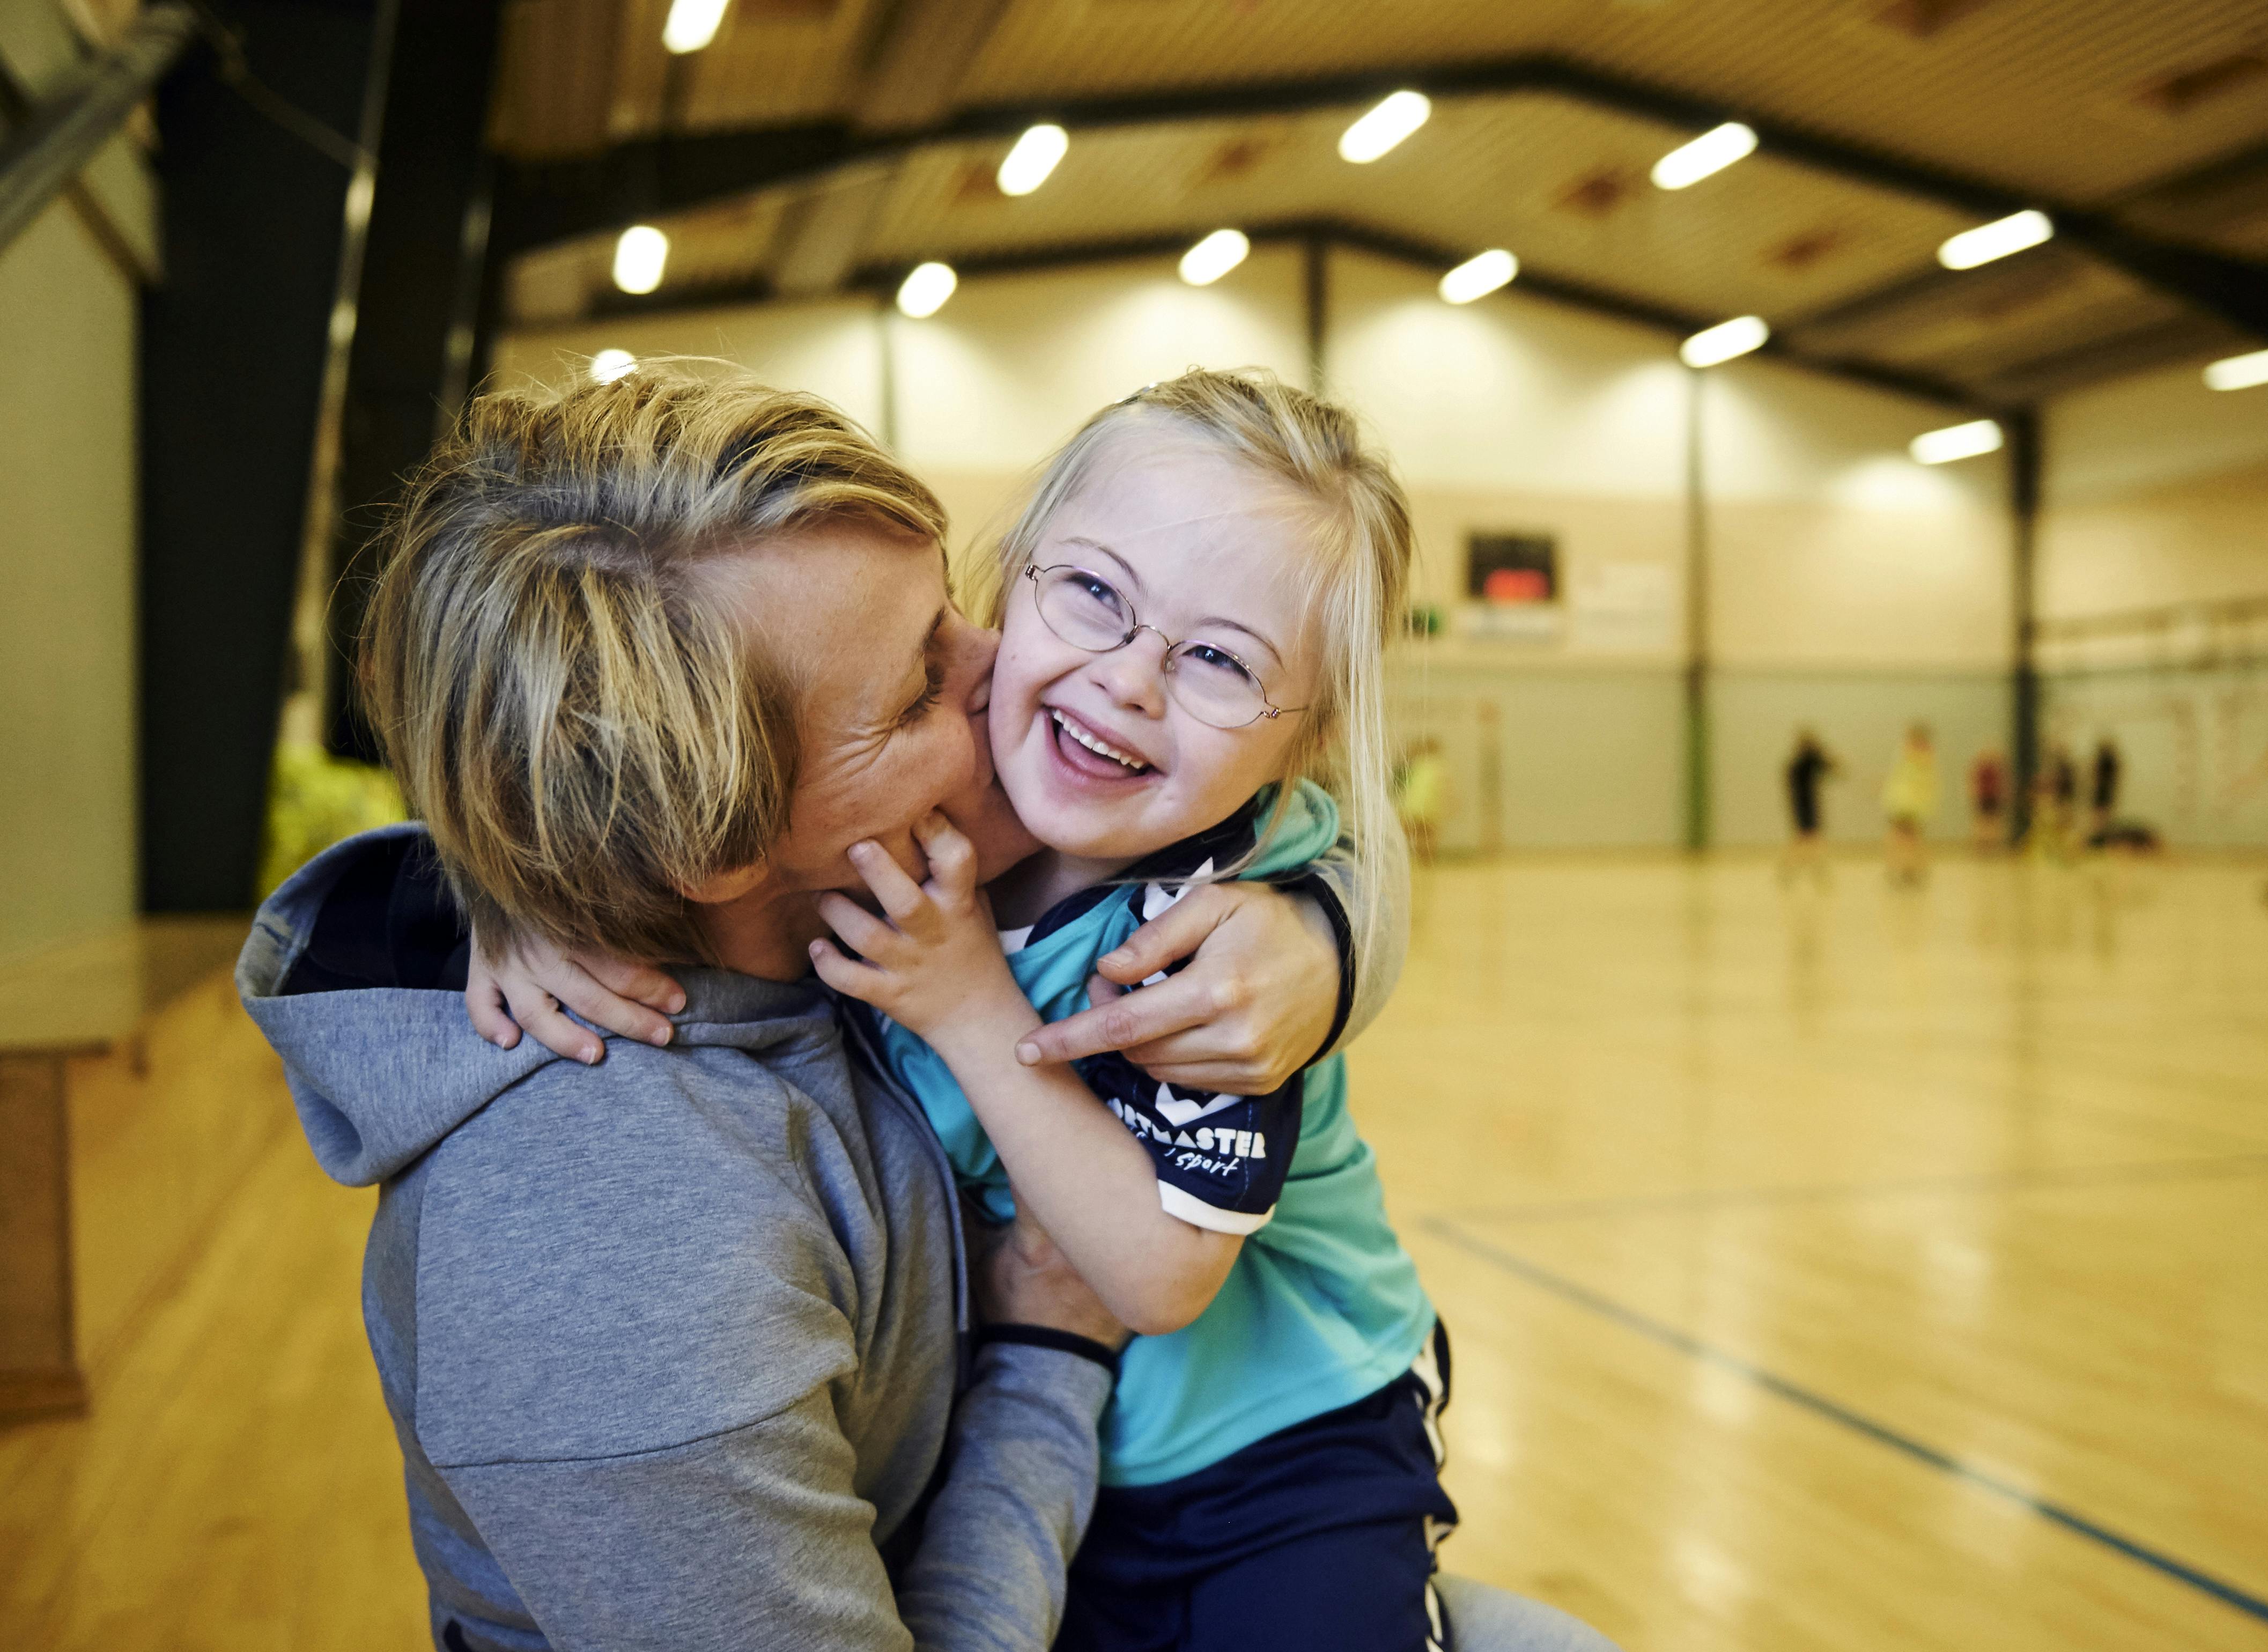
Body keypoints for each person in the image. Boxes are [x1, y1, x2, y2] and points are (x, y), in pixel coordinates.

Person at [242, 371, 1609, 1652]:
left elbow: (1297, 839)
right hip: (1070, 1474)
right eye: (915, 686)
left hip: (1248, 1463)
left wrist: (1328, 929)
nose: (1024, 671)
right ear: (715, 843)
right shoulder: (622, 1272)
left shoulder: (969, 890)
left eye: (959, 609)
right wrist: (1049, 1349)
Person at [1881, 722, 1937, 886]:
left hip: (1907, 803)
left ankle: (1905, 870)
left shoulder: (1915, 755)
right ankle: (1907, 870)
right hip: (1909, 803)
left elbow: (1908, 780)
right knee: (1908, 838)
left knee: (1903, 838)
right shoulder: (1920, 755)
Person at [1782, 729, 1837, 885]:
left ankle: (1813, 870)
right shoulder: (1809, 760)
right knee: (1808, 838)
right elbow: (1833, 768)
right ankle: (1814, 871)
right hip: (1807, 805)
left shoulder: (1796, 763)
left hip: (1801, 804)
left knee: (1807, 838)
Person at [1395, 736, 1449, 864]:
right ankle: (1426, 861)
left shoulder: (1417, 765)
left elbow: (1407, 788)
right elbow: (1444, 788)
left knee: (1410, 835)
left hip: (1412, 806)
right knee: (1428, 837)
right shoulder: (1439, 767)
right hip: (1429, 808)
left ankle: (1408, 860)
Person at [1969, 747, 2008, 853]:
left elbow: (2001, 784)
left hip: (1994, 797)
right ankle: (1983, 845)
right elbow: (1974, 783)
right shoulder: (1982, 768)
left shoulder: (1997, 769)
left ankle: (1991, 845)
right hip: (1984, 797)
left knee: (1993, 821)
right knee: (1983, 821)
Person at [2089, 737, 2122, 847]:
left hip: (2103, 793)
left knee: (2101, 818)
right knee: (2101, 817)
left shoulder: (2107, 761)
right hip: (2103, 793)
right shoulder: (2110, 761)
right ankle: (2100, 840)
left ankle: (2101, 841)